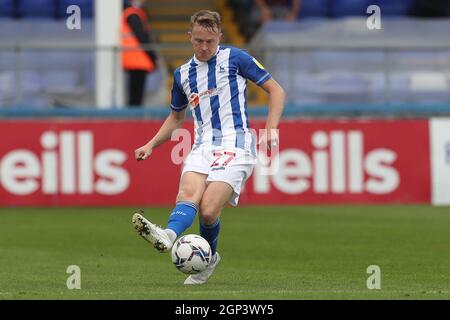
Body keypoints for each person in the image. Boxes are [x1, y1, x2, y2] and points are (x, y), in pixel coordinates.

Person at [132, 10, 285, 285]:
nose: (204, 47)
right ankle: (167, 236)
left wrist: (271, 127)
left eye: (210, 42)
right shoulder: (182, 74)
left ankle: (209, 258)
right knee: (188, 193)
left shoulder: (236, 58)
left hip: (236, 143)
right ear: (190, 37)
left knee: (209, 210)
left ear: (219, 38)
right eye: (199, 41)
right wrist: (151, 144)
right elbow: (176, 118)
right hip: (202, 144)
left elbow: (277, 90)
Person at [121, 0, 157, 107]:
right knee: (136, 94)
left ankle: (133, 117)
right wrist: (152, 56)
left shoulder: (131, 13)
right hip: (137, 58)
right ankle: (134, 119)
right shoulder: (133, 14)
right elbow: (142, 37)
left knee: (134, 93)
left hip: (134, 58)